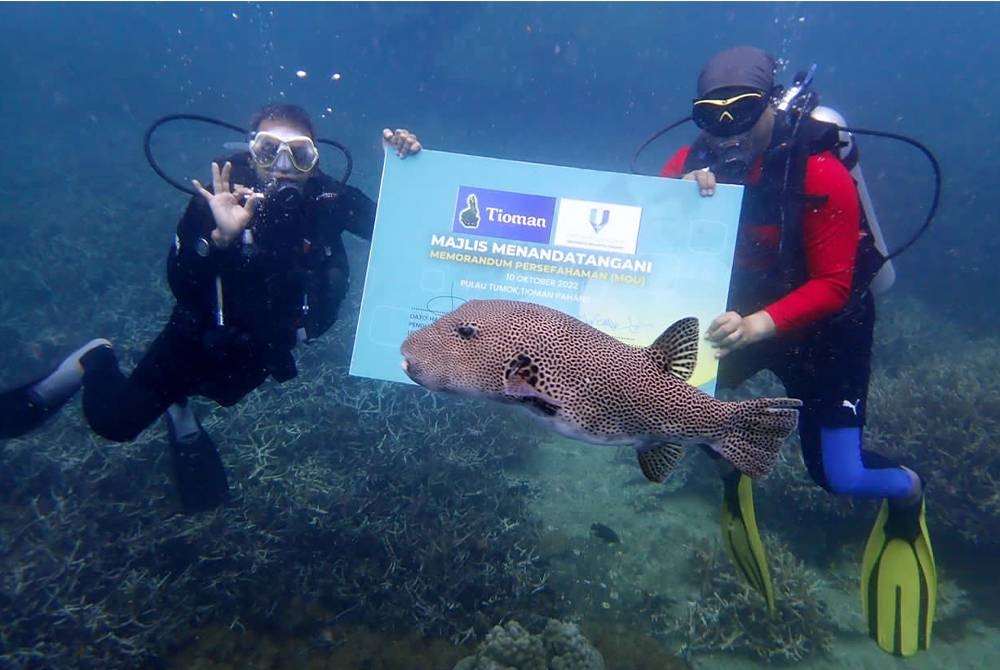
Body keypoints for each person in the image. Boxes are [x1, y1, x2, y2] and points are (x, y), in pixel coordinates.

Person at [0, 103, 422, 513]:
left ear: (315, 160)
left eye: (300, 153)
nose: (283, 164)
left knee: (221, 390)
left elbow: (400, 226)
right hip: (197, 334)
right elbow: (181, 283)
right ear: (250, 152)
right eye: (268, 150)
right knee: (114, 423)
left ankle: (178, 403)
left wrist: (406, 167)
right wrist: (219, 239)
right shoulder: (218, 197)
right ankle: (95, 357)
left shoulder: (330, 199)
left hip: (264, 346)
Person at [660, 47, 935, 657]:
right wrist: (672, 202)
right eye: (711, 114)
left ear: (772, 107)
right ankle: (734, 464)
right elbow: (628, 239)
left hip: (827, 330)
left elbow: (836, 286)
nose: (725, 130)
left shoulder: (819, 171)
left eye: (743, 111)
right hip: (739, 319)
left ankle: (908, 493)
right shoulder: (686, 162)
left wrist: (762, 325)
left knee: (840, 475)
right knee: (670, 405)